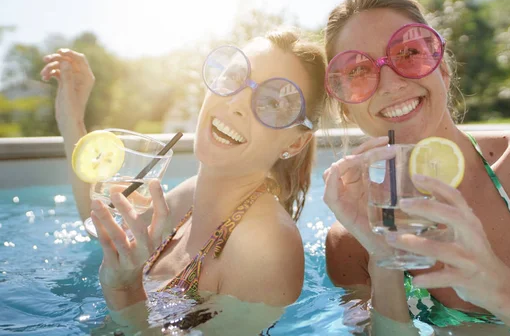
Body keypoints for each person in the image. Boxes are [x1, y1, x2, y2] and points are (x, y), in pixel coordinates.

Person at [322, 0, 510, 334]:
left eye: (408, 52)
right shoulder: (350, 238)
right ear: (346, 109)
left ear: (442, 68)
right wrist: (384, 260)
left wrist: (503, 291)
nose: (390, 84)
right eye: (357, 71)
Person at [40, 29, 327, 333]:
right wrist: (70, 116)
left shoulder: (267, 247)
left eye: (272, 103)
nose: (237, 103)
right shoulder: (190, 195)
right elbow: (104, 226)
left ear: (295, 144)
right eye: (234, 77)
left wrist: (123, 289)